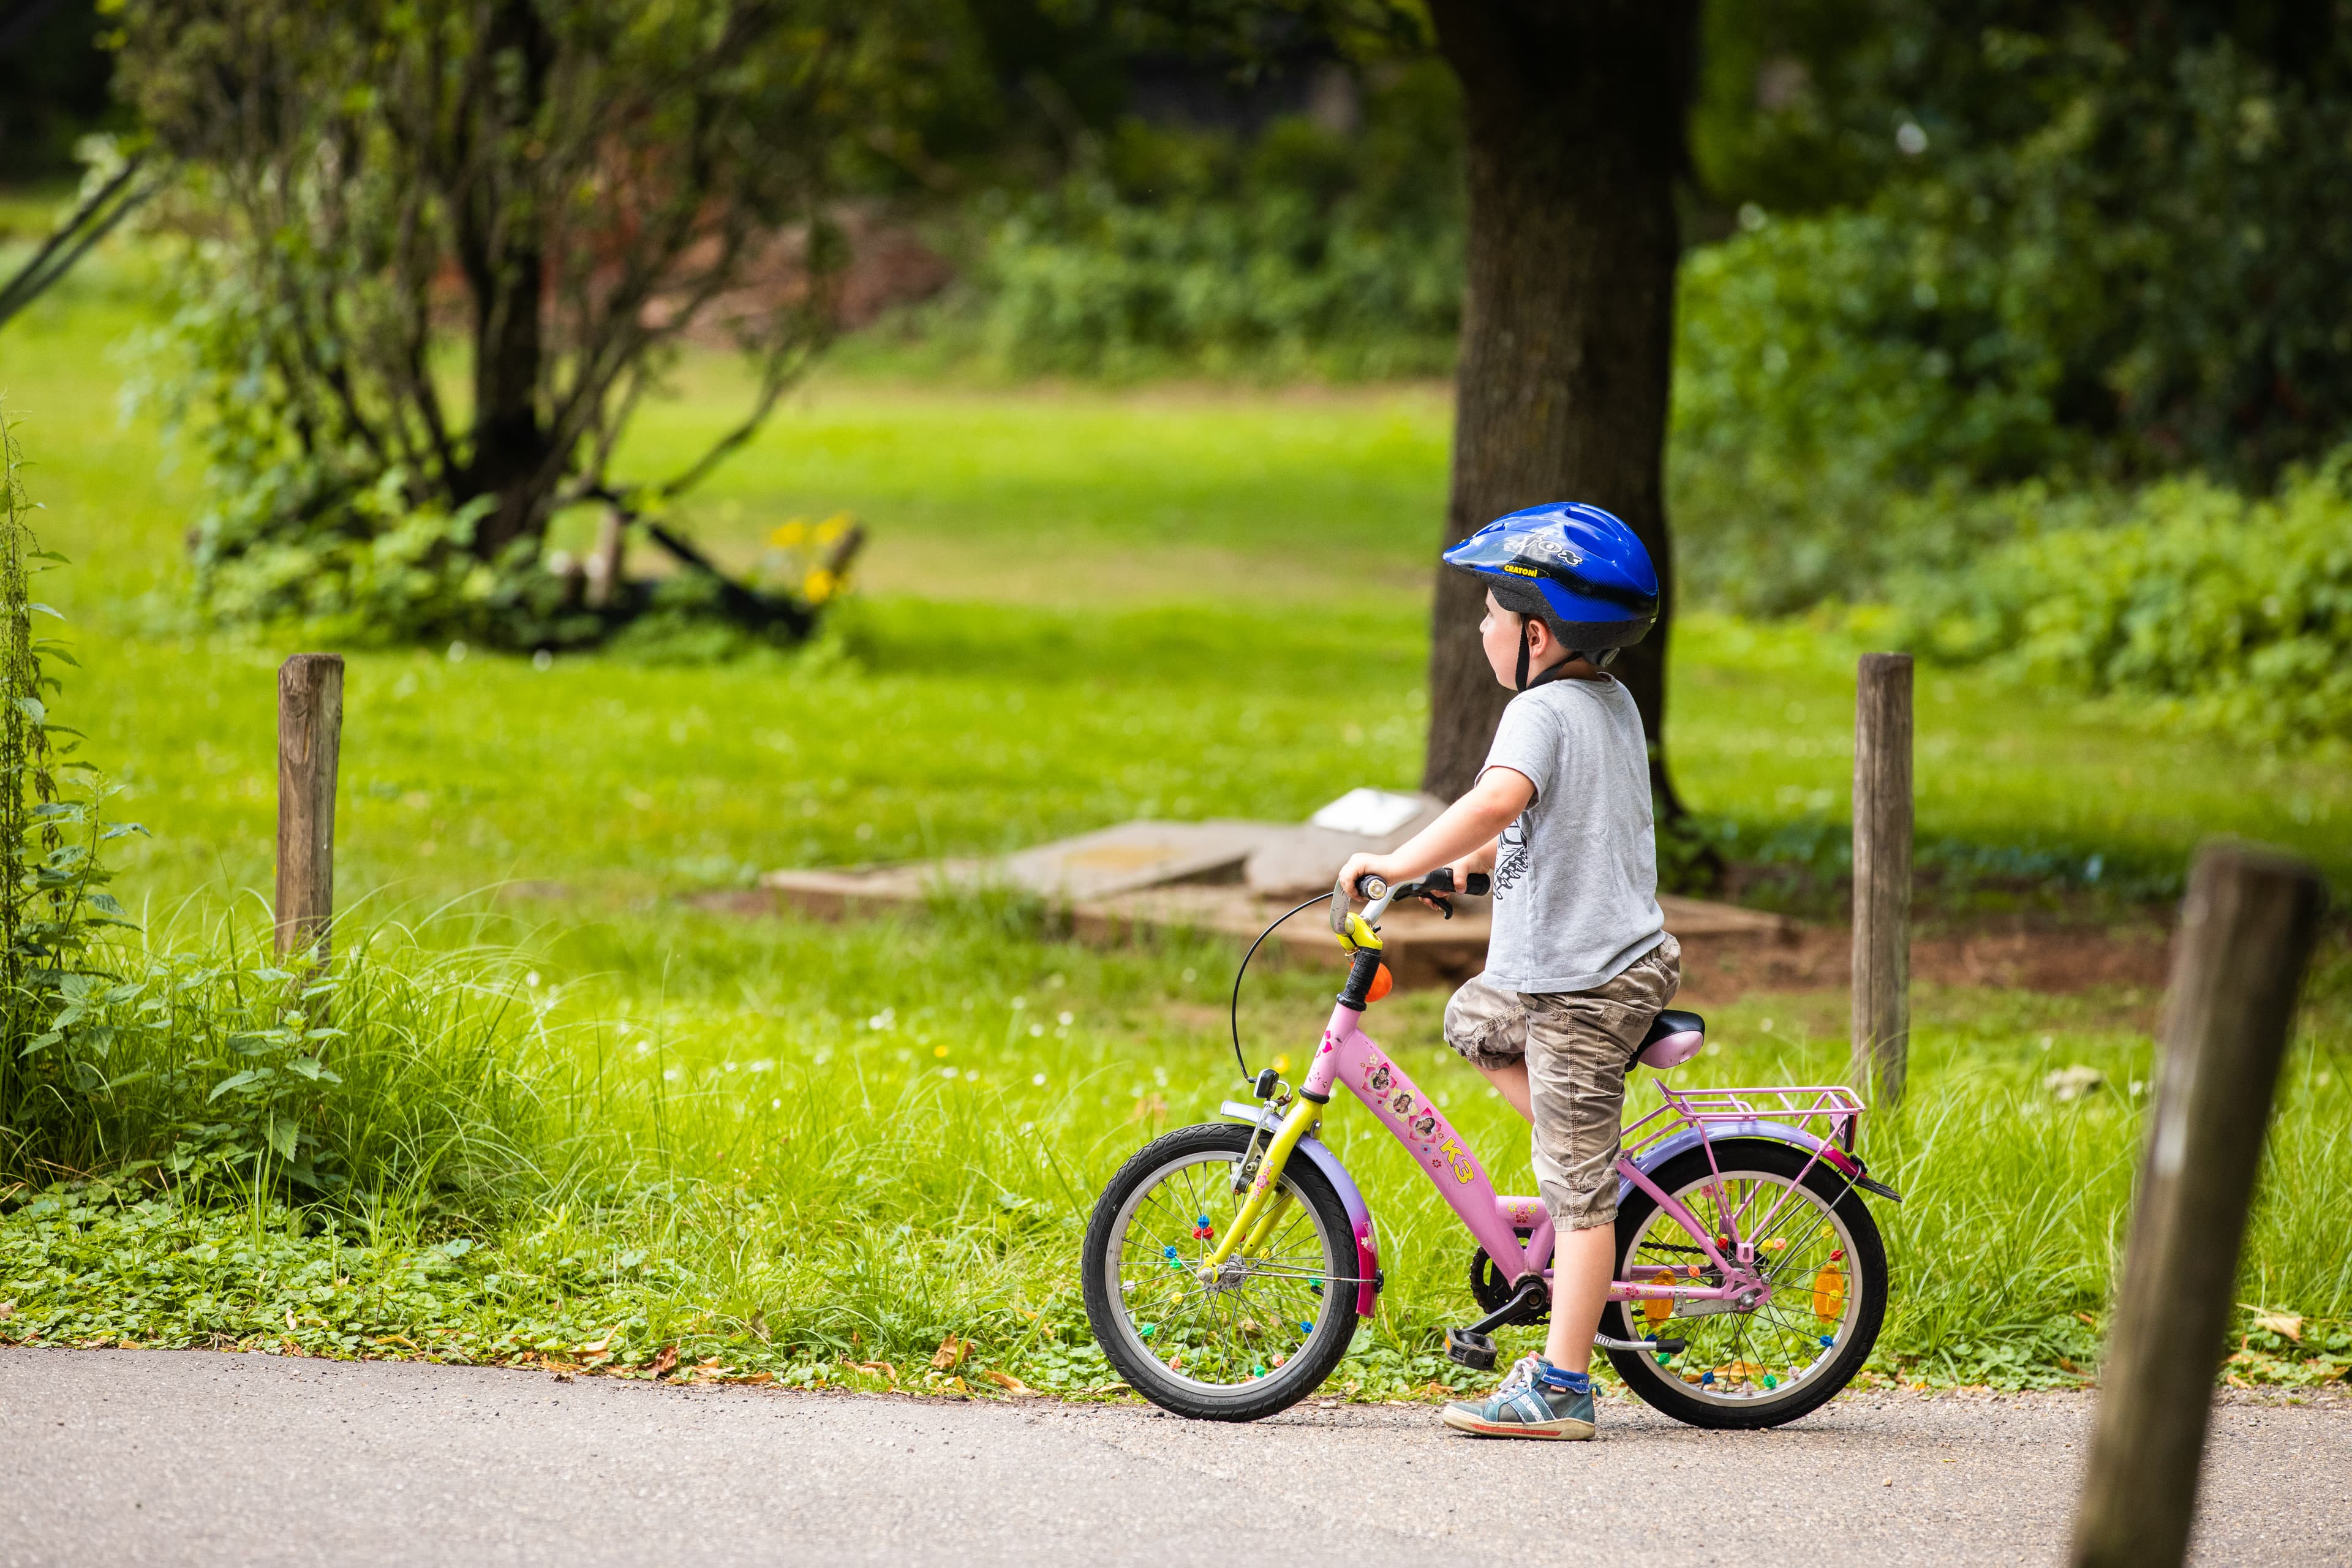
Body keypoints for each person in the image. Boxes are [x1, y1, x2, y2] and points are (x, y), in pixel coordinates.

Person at [1338, 502, 1678, 1442]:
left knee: (1576, 1187)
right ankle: (1590, 1158)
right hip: (1567, 967)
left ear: (1535, 633)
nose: (1479, 627)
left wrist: (1394, 861)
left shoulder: (1539, 711)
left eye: (1491, 613)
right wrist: (1457, 876)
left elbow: (1497, 801)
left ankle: (1564, 1387)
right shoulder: (1604, 703)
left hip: (1586, 983)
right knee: (1472, 1021)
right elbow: (1542, 830)